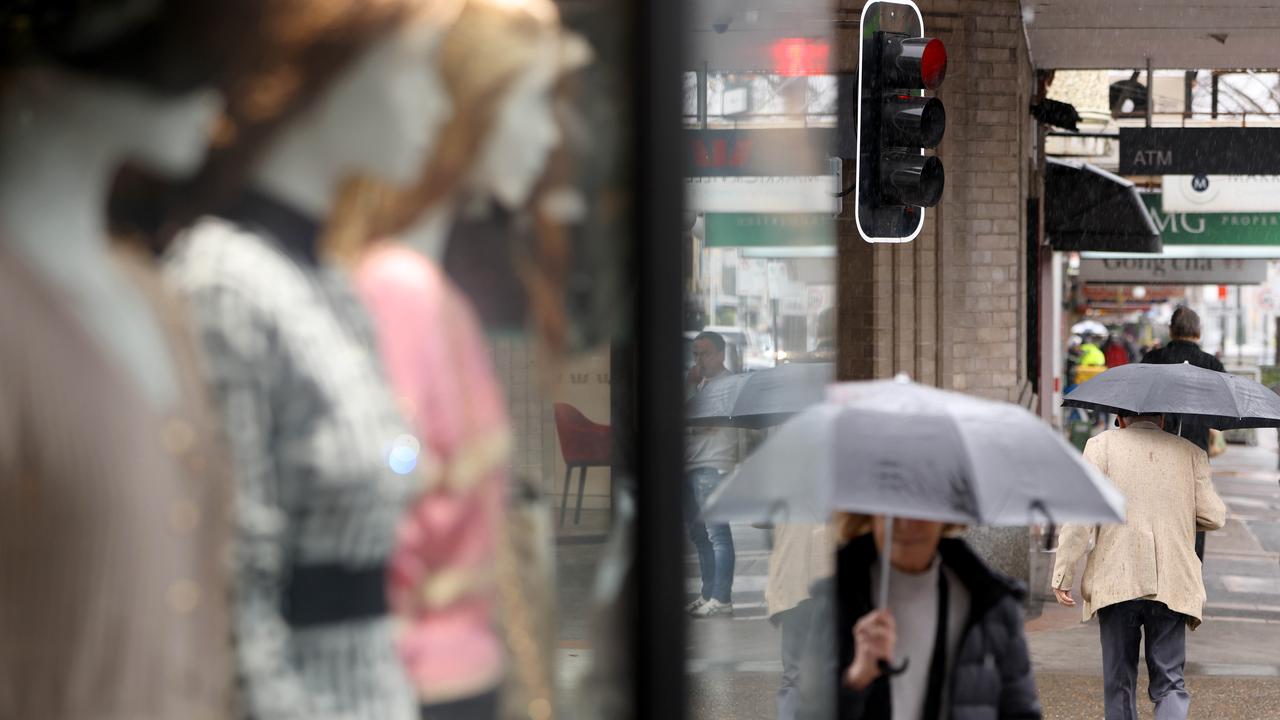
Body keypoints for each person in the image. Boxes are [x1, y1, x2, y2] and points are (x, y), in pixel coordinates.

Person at [1052, 413, 1227, 720]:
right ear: (1162, 419)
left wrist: (1063, 573)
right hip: (1172, 582)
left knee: (1119, 680)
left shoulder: (1100, 446)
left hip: (1117, 579)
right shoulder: (1189, 452)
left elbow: (1080, 517)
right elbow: (1214, 516)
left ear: (1120, 418)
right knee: (1170, 682)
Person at [798, 514, 1041, 720]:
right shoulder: (837, 601)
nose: (905, 523)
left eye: (919, 510)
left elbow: (1021, 710)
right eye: (891, 509)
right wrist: (856, 679)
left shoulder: (990, 604)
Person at [1140, 306, 1226, 562]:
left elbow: (1140, 404)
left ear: (1171, 330)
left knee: (1152, 512)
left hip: (1154, 447)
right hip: (1194, 450)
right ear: (1197, 332)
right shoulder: (1211, 365)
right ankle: (1190, 568)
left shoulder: (1153, 360)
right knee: (1192, 513)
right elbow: (1219, 412)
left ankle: (1155, 566)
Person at [684, 331, 739, 618]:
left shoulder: (727, 384)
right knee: (699, 535)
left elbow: (698, 419)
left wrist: (691, 387)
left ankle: (722, 597)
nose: (698, 360)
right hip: (692, 465)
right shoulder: (700, 383)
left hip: (713, 465)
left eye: (704, 353)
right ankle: (708, 593)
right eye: (694, 354)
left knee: (717, 533)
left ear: (720, 355)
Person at [767, 523, 835, 720]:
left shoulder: (787, 492)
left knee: (793, 674)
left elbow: (762, 520)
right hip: (827, 575)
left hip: (793, 579)